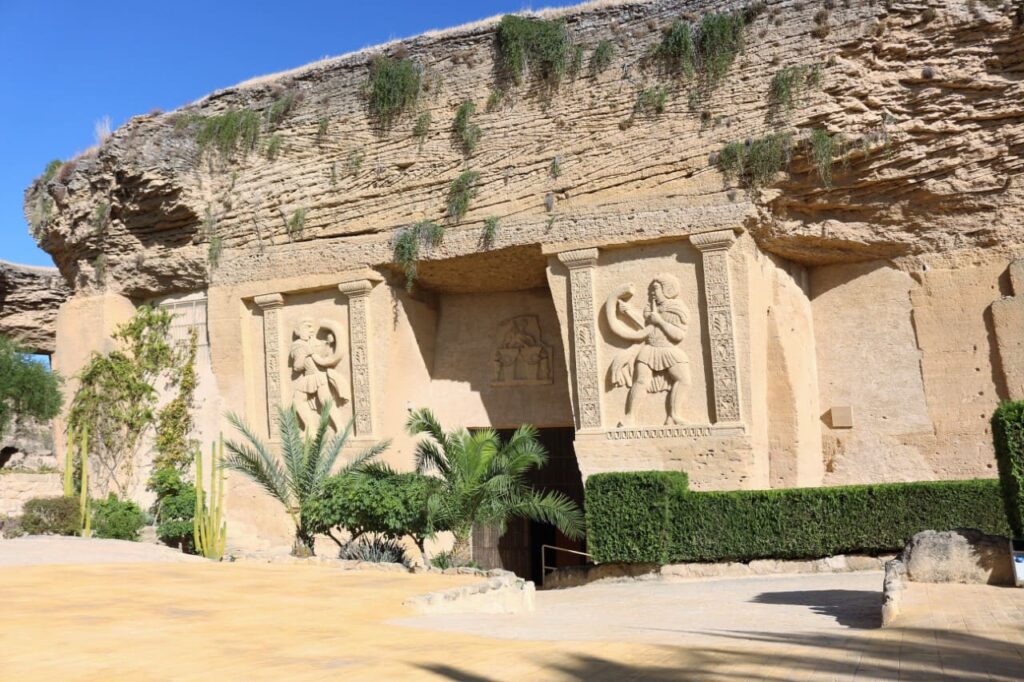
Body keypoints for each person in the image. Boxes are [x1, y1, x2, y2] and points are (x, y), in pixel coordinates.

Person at [605, 274, 691, 426]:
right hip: (649, 349)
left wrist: (660, 321)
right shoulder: (651, 307)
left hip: (668, 349)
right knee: (641, 381)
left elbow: (678, 335)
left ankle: (674, 416)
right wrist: (629, 311)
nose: (652, 292)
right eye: (651, 289)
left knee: (684, 380)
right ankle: (629, 417)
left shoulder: (678, 308)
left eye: (656, 289)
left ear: (668, 289)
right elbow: (647, 328)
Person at [289, 318, 346, 433]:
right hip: (312, 377)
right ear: (299, 330)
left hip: (315, 376)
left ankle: (338, 429)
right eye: (307, 327)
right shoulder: (302, 345)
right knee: (301, 401)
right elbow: (303, 365)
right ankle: (311, 429)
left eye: (311, 327)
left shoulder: (301, 345)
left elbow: (298, 366)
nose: (311, 330)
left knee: (325, 402)